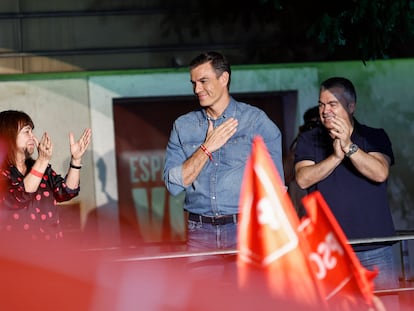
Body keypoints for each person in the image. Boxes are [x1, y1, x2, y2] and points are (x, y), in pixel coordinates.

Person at [163, 51, 285, 253]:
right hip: (199, 231)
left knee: (247, 286)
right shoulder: (183, 126)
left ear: (224, 78)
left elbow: (275, 187)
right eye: (193, 83)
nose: (197, 89)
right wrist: (206, 148)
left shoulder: (254, 120)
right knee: (202, 286)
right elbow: (173, 184)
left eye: (203, 81)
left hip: (245, 228)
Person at [294, 77, 399, 308]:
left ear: (351, 107)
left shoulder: (374, 136)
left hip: (375, 247)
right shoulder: (309, 139)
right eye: (321, 104)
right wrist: (335, 158)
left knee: (383, 306)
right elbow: (302, 179)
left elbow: (380, 172)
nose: (325, 110)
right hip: (330, 252)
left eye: (332, 104)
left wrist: (349, 147)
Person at [0, 110, 91, 244]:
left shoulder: (41, 168)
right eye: (26, 132)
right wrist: (42, 160)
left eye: (32, 131)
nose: (32, 136)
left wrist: (76, 160)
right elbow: (18, 196)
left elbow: (65, 192)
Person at [283, 105, 320, 218]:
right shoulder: (301, 145)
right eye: (310, 125)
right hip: (301, 211)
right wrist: (301, 136)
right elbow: (284, 175)